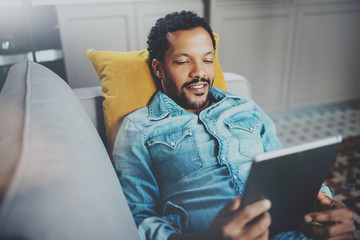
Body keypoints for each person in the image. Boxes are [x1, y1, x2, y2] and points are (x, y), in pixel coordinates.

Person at [112, 11, 355, 240]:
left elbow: (287, 169)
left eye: (208, 60)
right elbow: (138, 218)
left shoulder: (245, 107)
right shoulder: (138, 127)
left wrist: (325, 207)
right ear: (158, 68)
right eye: (184, 61)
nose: (200, 72)